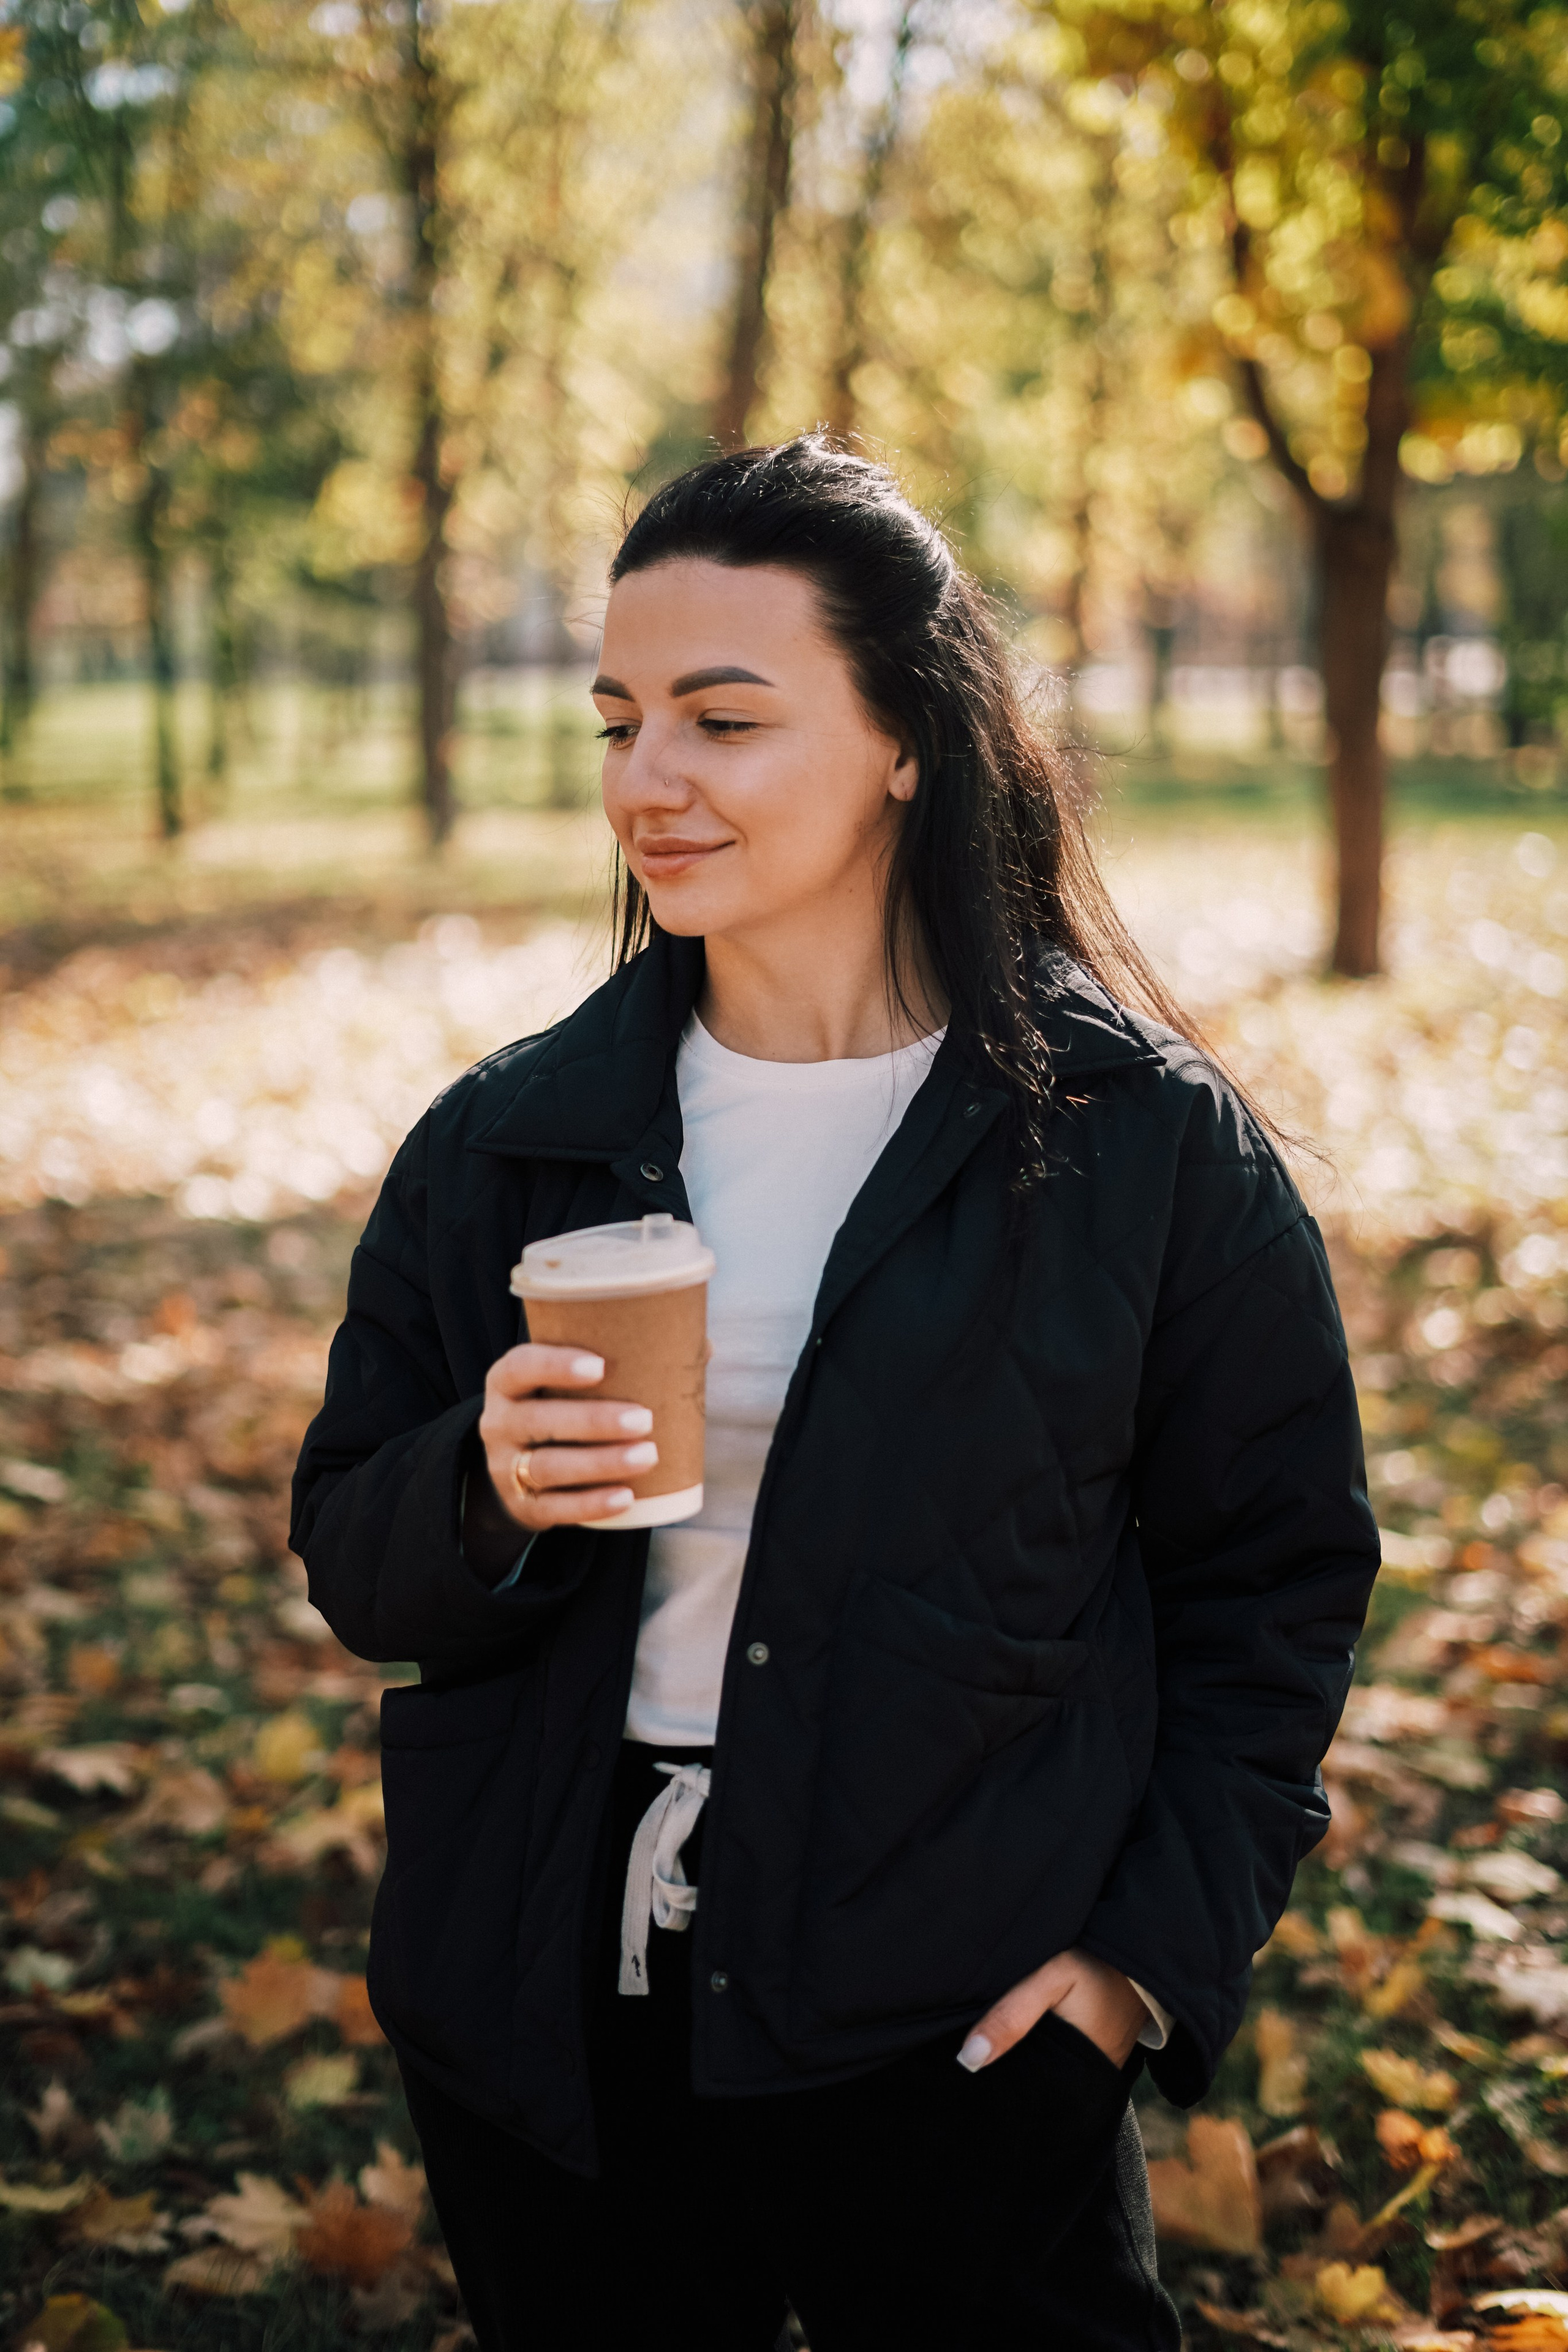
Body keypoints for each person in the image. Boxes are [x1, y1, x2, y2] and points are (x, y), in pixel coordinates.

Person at [292, 436, 1381, 2352]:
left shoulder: (1136, 1150)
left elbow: (1274, 1585)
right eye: (621, 718)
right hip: (550, 2004)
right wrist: (481, 1488)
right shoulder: (511, 1141)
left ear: (905, 739)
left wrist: (1137, 1966)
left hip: (952, 2016)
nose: (648, 779)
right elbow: (357, 1556)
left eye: (725, 719)